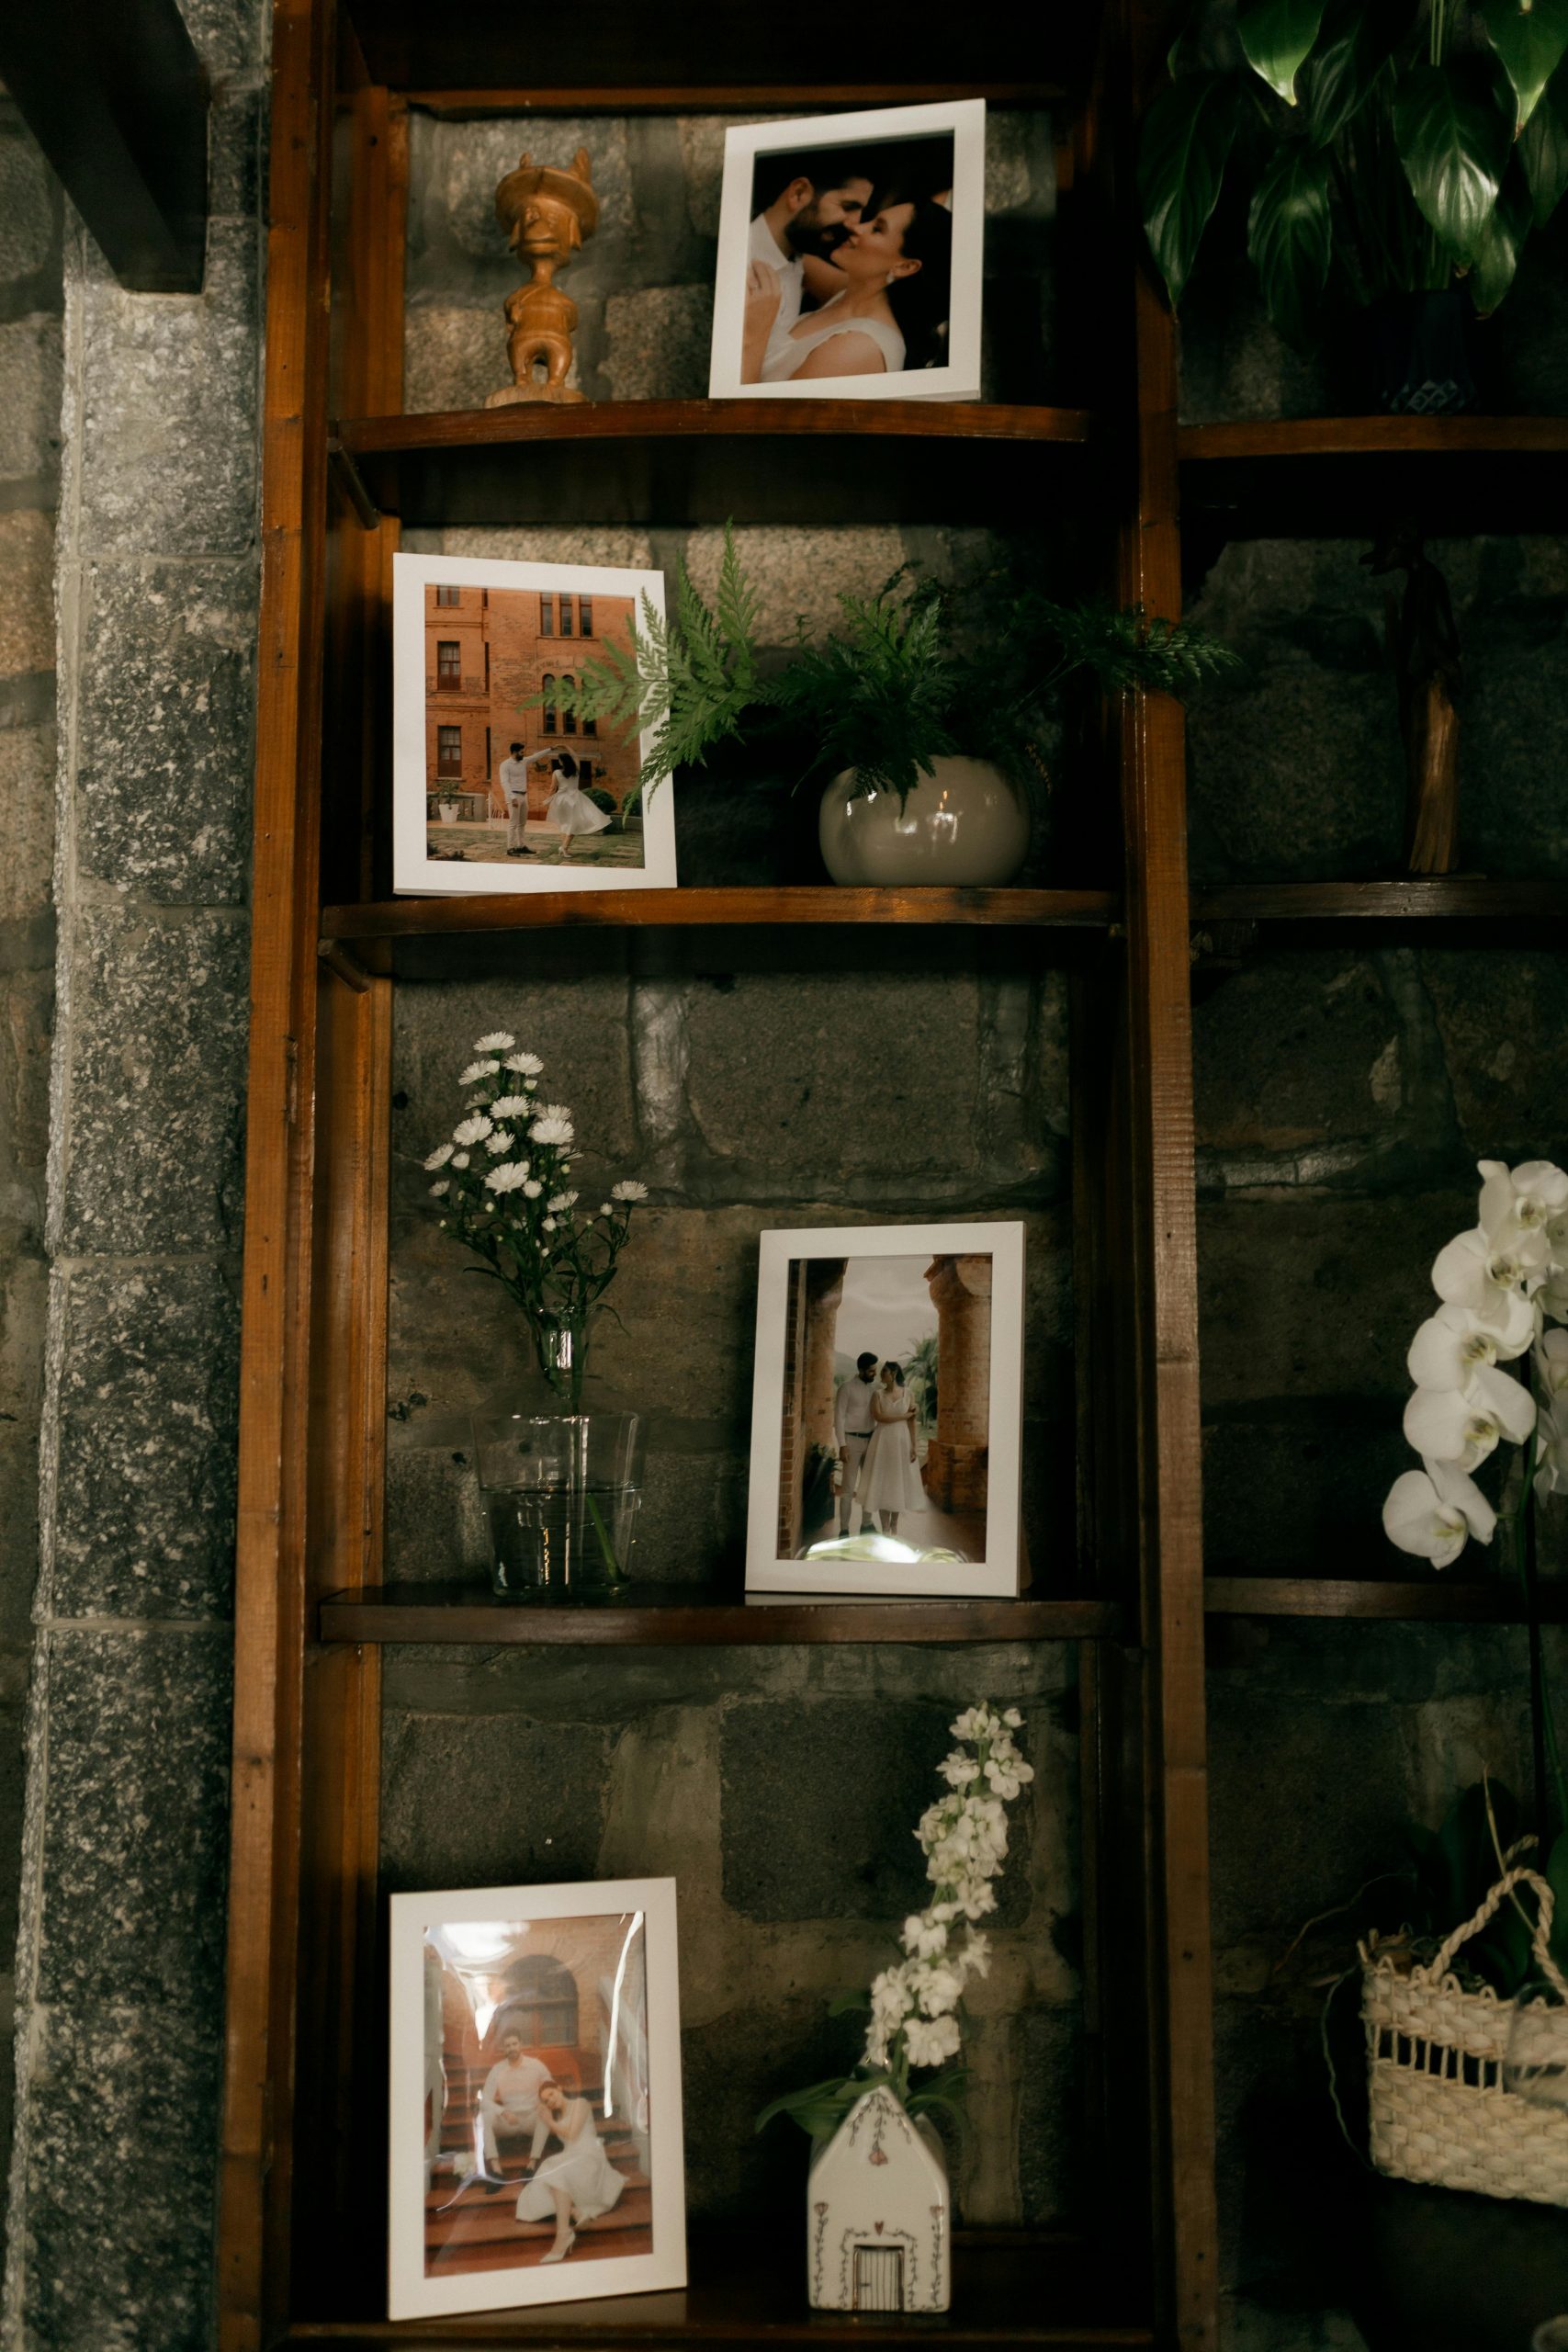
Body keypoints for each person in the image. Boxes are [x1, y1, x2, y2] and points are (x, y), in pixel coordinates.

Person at [753, 192, 953, 386]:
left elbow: (750, 415)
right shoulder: (849, 294)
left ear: (905, 267)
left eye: (877, 229)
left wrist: (754, 333)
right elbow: (784, 249)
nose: (857, 227)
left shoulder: (857, 347)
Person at [742, 148, 874, 382]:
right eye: (847, 207)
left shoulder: (796, 259)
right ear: (799, 194)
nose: (855, 225)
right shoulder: (743, 266)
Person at [515, 2075, 626, 2265]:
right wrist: (544, 2117)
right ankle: (574, 2213)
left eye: (551, 2094)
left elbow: (572, 2134)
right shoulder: (556, 2117)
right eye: (546, 2100)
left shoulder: (580, 2104)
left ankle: (563, 2235)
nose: (550, 2100)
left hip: (589, 2158)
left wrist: (549, 2121)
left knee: (555, 2171)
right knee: (546, 2173)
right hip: (571, 2159)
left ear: (559, 2088)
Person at [479, 2028, 553, 2189]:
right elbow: (484, 2100)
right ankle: (496, 2171)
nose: (511, 2048)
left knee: (545, 2112)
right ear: (503, 2049)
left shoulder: (536, 2065)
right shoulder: (497, 2069)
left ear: (521, 2045)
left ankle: (531, 2166)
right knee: (486, 2117)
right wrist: (503, 2112)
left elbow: (550, 2088)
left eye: (514, 2044)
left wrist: (543, 2101)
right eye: (507, 2045)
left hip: (531, 2119)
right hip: (509, 2121)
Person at [858, 1359, 924, 1539]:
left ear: (894, 1373)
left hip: (902, 1441)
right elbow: (879, 1417)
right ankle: (885, 1528)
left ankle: (894, 1527)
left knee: (897, 1482)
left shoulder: (908, 1393)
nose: (881, 1375)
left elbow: (912, 1422)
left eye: (885, 1371)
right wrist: (904, 1415)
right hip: (883, 1441)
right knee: (882, 1481)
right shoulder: (877, 1395)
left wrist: (913, 1446)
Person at [530, 748, 611, 862]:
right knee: (572, 825)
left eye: (560, 760)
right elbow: (576, 757)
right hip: (574, 799)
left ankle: (563, 846)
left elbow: (553, 788)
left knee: (567, 824)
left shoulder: (557, 772)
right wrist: (567, 748)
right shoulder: (576, 771)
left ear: (562, 762)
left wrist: (548, 800)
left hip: (562, 800)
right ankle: (564, 847)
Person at [832, 1351, 880, 1539]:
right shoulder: (846, 1388)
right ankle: (844, 1529)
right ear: (860, 1370)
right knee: (847, 1488)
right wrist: (842, 1445)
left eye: (875, 1370)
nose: (874, 1374)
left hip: (871, 1441)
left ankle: (866, 1524)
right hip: (851, 1442)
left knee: (868, 1485)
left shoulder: (876, 1388)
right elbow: (839, 1418)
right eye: (871, 1371)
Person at [500, 741, 534, 854]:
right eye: (521, 752)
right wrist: (512, 797)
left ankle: (521, 846)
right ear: (514, 752)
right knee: (513, 823)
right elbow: (504, 782)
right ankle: (510, 848)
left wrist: (550, 749)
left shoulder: (523, 761)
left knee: (522, 823)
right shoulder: (505, 765)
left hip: (524, 795)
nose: (523, 754)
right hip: (513, 796)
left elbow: (535, 757)